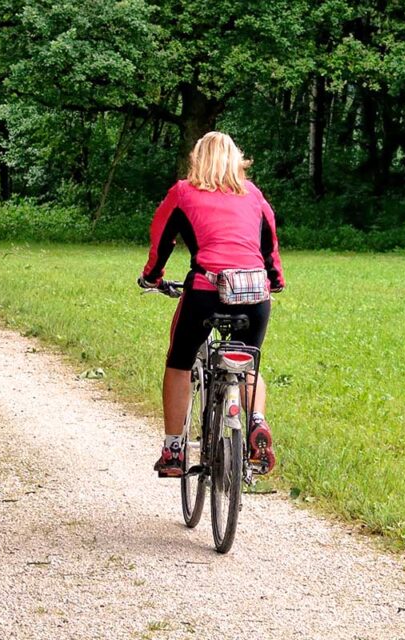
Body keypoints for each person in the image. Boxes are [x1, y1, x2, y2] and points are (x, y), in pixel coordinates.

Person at [138, 131, 285, 478]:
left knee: (179, 361)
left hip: (207, 290)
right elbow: (270, 246)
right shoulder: (254, 195)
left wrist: (152, 277)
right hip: (254, 294)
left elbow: (162, 240)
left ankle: (174, 450)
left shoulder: (183, 192)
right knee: (248, 362)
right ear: (237, 161)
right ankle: (256, 422)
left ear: (196, 160)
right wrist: (274, 281)